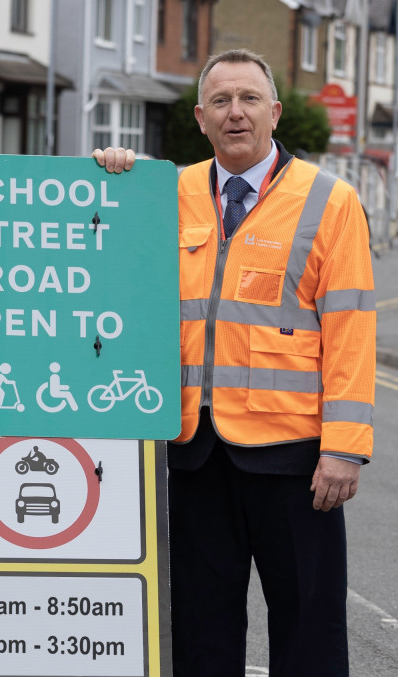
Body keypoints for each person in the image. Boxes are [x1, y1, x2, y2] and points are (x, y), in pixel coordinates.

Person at [95, 48, 375, 676]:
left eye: (249, 99)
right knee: (200, 628)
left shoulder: (330, 202)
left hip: (296, 457)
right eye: (220, 101)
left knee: (309, 629)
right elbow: (91, 243)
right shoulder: (164, 192)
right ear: (200, 117)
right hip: (197, 451)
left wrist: (345, 448)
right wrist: (110, 174)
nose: (236, 113)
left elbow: (352, 329)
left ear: (275, 112)